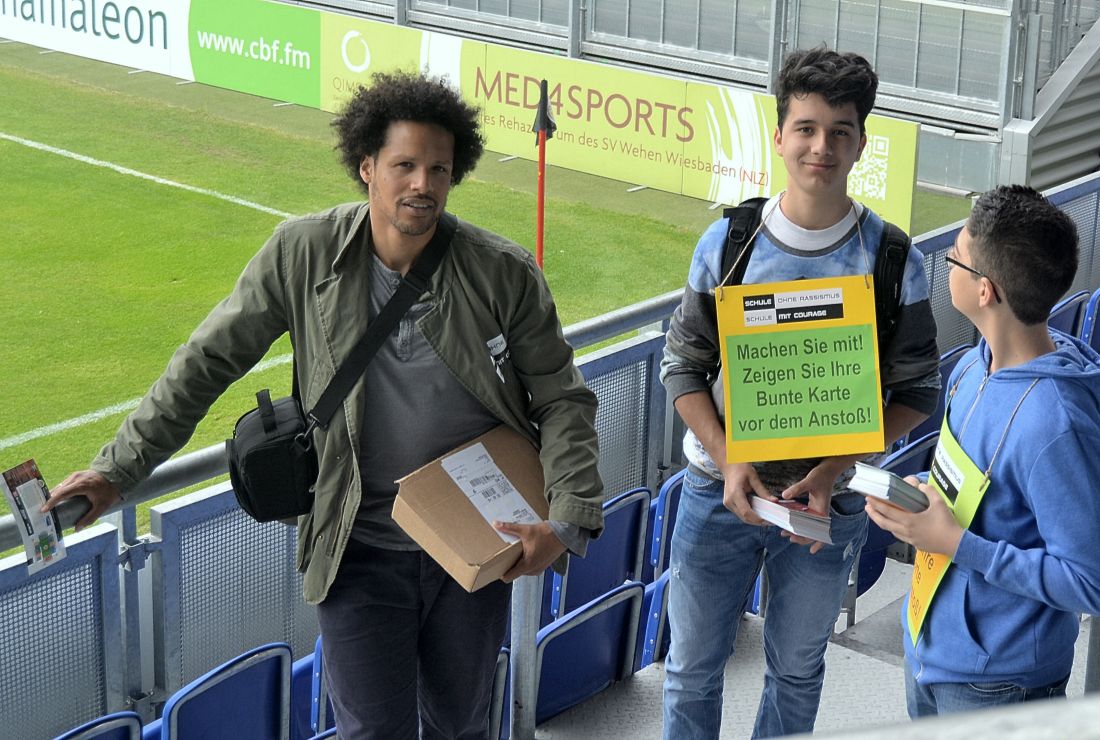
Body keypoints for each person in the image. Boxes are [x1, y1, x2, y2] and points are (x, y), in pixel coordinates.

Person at [43, 71, 604, 739]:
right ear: (366, 166)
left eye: (438, 169)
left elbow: (564, 399)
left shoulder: (502, 272)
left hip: (473, 548)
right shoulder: (302, 253)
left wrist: (566, 519)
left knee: (462, 727)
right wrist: (118, 470)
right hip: (354, 548)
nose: (423, 184)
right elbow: (205, 363)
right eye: (404, 165)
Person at [659, 47, 941, 738]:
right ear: (780, 135)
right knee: (690, 669)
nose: (822, 147)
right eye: (807, 129)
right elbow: (681, 367)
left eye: (840, 131)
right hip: (716, 489)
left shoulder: (892, 258)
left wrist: (831, 469)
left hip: (829, 503)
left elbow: (919, 391)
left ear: (861, 143)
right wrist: (730, 458)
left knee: (796, 670)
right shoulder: (729, 242)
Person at [865, 185, 1100, 717]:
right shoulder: (971, 366)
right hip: (929, 649)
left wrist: (955, 542)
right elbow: (977, 491)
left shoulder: (1056, 425)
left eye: (956, 256)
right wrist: (923, 497)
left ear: (985, 290)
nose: (948, 265)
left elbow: (1094, 585)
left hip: (1000, 687)